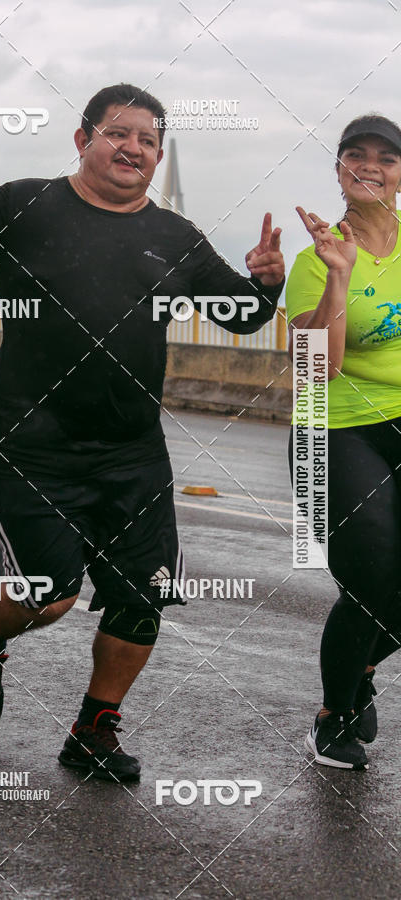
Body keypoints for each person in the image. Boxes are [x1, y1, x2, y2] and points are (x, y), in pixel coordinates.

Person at [0, 83, 284, 782]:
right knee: (52, 592)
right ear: (83, 141)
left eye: (147, 139)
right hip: (37, 441)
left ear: (158, 154)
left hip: (133, 450)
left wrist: (266, 284)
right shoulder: (24, 203)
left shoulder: (175, 237)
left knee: (143, 596)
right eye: (118, 132)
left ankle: (93, 731)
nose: (132, 147)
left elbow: (241, 318)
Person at [286, 114, 401, 770]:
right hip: (334, 429)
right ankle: (333, 715)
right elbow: (316, 365)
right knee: (375, 571)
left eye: (386, 158)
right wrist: (338, 274)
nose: (370, 166)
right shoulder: (313, 258)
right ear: (338, 171)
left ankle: (357, 671)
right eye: (355, 156)